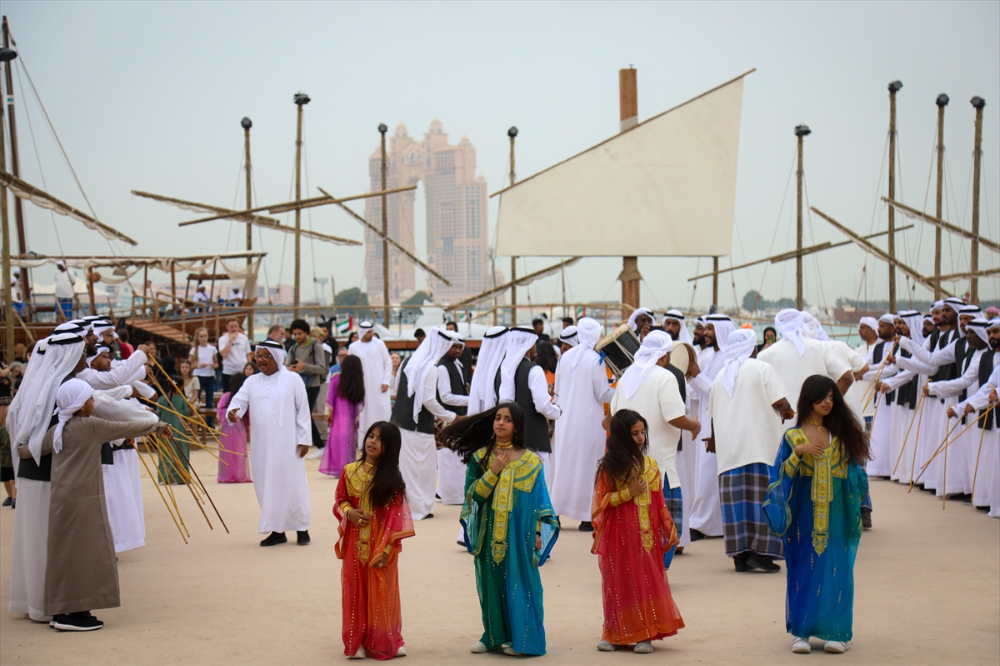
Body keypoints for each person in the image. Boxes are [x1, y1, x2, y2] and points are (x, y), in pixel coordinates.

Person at [30, 379, 170, 631]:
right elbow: (127, 426)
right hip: (84, 500)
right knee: (87, 555)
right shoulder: (91, 426)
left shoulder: (58, 430)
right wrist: (158, 425)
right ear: (80, 406)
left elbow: (28, 449)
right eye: (90, 399)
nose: (93, 402)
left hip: (62, 501)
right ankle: (72, 613)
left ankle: (62, 608)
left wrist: (17, 443)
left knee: (65, 555)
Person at [439, 402, 560, 656]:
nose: (500, 423)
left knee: (521, 585)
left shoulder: (532, 462)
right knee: (491, 584)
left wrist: (539, 533)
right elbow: (472, 498)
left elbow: (542, 504)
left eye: (507, 419)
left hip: (520, 537)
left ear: (517, 427)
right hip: (489, 534)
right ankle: (493, 636)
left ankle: (524, 641)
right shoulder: (481, 458)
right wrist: (492, 472)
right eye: (497, 418)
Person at [763, 375, 870, 654]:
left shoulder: (840, 437)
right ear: (809, 399)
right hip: (803, 516)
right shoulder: (793, 436)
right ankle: (801, 631)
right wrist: (798, 453)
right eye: (822, 397)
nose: (828, 403)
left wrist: (855, 489)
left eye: (832, 398)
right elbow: (778, 480)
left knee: (838, 568)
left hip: (836, 514)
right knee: (802, 568)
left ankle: (838, 631)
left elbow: (855, 476)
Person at [7, 332, 87, 623]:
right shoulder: (64, 386)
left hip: (32, 470)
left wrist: (23, 454)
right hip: (48, 473)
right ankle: (51, 605)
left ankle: (36, 603)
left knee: (35, 540)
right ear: (70, 355)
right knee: (48, 541)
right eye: (81, 352)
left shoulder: (39, 383)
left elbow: (12, 421)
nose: (84, 358)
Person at [592, 410, 684, 654]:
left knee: (644, 581)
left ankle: (645, 634)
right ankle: (613, 633)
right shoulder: (609, 467)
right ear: (622, 435)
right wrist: (626, 493)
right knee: (617, 582)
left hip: (645, 537)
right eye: (634, 433)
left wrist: (669, 527)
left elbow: (659, 502)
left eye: (643, 432)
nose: (641, 437)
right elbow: (600, 503)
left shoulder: (651, 466)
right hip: (617, 538)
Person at [607, 331, 701, 569]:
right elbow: (675, 417)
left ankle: (637, 570)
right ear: (662, 356)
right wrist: (694, 425)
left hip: (627, 465)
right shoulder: (665, 377)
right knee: (661, 523)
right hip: (659, 468)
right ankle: (656, 572)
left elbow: (610, 420)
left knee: (633, 523)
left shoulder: (626, 376)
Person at [704, 329, 793, 572]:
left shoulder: (721, 376)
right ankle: (762, 553)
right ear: (752, 347)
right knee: (763, 499)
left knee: (735, 503)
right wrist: (789, 411)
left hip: (730, 452)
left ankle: (740, 556)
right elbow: (780, 402)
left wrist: (713, 442)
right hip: (759, 448)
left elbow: (712, 416)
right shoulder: (761, 368)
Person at [334, 421, 414, 660]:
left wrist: (387, 549)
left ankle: (386, 639)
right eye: (370, 436)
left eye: (379, 439)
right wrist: (350, 513)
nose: (372, 441)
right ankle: (355, 641)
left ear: (389, 448)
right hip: (355, 546)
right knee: (355, 591)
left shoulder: (392, 481)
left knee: (383, 592)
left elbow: (396, 519)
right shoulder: (350, 471)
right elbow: (341, 499)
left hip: (382, 546)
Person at [227, 340, 312, 546]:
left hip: (289, 444)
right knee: (267, 485)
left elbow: (303, 410)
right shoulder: (251, 382)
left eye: (266, 356)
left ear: (277, 357)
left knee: (293, 483)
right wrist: (233, 412)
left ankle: (301, 528)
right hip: (262, 445)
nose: (261, 360)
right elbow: (239, 402)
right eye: (258, 356)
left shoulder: (293, 379)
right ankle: (277, 530)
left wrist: (304, 439)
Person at [550, 318, 615, 531]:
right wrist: (620, 388)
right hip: (588, 425)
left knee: (562, 467)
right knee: (588, 468)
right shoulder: (595, 360)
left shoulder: (565, 358)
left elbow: (558, 391)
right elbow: (603, 394)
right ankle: (587, 517)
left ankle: (555, 512)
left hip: (565, 422)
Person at [390, 328, 458, 519]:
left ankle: (408, 507)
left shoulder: (406, 362)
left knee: (406, 468)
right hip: (419, 428)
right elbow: (429, 400)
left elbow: (397, 390)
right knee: (423, 469)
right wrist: (450, 417)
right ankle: (418, 509)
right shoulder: (431, 368)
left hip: (399, 423)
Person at [686, 313, 736, 541]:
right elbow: (701, 390)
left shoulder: (727, 358)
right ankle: (709, 523)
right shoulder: (713, 356)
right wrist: (691, 376)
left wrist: (698, 376)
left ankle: (702, 523)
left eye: (710, 329)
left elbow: (721, 390)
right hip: (706, 420)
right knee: (704, 472)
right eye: (704, 329)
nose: (705, 333)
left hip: (719, 423)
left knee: (708, 472)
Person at [495, 327, 562, 485]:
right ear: (529, 345)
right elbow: (542, 406)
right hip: (533, 438)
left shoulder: (502, 370)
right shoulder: (534, 370)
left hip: (509, 440)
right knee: (539, 485)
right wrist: (557, 412)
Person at [285, 319, 329, 458]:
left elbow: (322, 368)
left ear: (306, 333)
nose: (297, 337)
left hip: (313, 386)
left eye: (299, 334)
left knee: (305, 415)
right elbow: (287, 366)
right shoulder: (294, 348)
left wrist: (304, 367)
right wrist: (291, 369)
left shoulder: (316, 346)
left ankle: (320, 445)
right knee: (298, 414)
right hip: (297, 386)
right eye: (295, 334)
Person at [436, 331, 470, 505]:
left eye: (460, 347)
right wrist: (471, 399)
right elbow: (445, 396)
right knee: (448, 457)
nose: (457, 350)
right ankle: (447, 493)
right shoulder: (442, 366)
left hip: (460, 416)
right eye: (454, 347)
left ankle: (452, 492)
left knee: (457, 457)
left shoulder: (458, 364)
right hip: (449, 417)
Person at [320, 354, 365, 478]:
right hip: (351, 418)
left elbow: (329, 397)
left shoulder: (336, 378)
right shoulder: (359, 382)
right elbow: (361, 402)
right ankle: (348, 468)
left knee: (337, 441)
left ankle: (338, 468)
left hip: (338, 417)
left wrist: (327, 414)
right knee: (349, 442)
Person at [349, 321, 393, 449]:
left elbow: (388, 363)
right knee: (363, 414)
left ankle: (384, 442)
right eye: (369, 332)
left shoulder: (379, 344)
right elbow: (351, 367)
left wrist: (386, 381)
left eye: (372, 331)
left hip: (379, 387)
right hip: (361, 387)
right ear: (362, 332)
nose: (371, 334)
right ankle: (365, 444)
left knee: (381, 411)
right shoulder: (353, 347)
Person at [217, 372, 252, 484]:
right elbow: (248, 416)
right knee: (239, 452)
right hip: (240, 428)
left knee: (226, 452)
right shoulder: (245, 398)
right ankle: (239, 475)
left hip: (226, 428)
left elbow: (219, 414)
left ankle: (226, 475)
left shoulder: (225, 397)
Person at [155, 376, 191, 485]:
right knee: (180, 452)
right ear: (180, 386)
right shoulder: (181, 399)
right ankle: (182, 477)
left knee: (166, 452)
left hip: (164, 429)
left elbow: (158, 414)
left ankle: (165, 477)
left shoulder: (162, 399)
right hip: (178, 429)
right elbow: (186, 413)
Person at [189, 327, 218, 427]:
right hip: (198, 376)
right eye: (201, 336)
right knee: (197, 399)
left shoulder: (212, 349)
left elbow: (216, 364)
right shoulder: (194, 350)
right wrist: (198, 365)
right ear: (197, 338)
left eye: (205, 336)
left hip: (209, 375)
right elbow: (189, 365)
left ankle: (209, 423)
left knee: (209, 401)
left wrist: (212, 365)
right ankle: (197, 423)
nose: (204, 338)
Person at [218, 317, 252, 393]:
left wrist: (249, 368)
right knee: (228, 394)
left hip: (242, 371)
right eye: (231, 327)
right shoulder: (222, 339)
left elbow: (248, 354)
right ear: (227, 327)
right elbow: (224, 354)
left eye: (235, 326)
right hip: (228, 372)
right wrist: (230, 340)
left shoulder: (244, 338)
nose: (234, 329)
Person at [1, 398, 14, 508]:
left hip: (14, 460)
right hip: (4, 460)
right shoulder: (2, 431)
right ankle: (10, 496)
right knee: (5, 479)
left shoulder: (18, 430)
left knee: (13, 480)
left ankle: (15, 498)